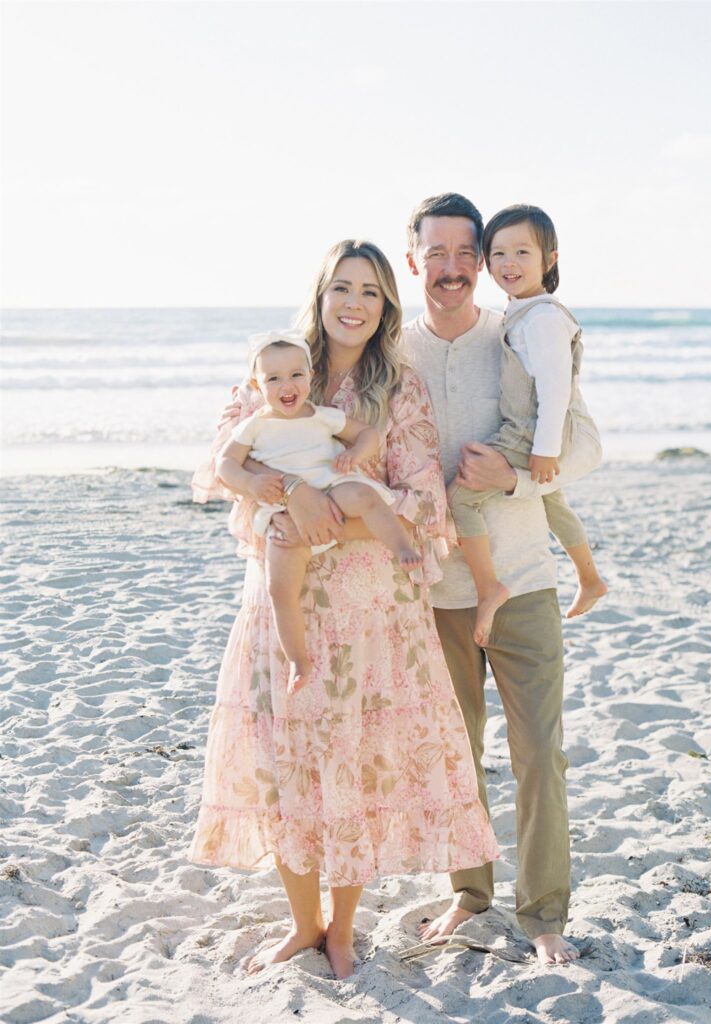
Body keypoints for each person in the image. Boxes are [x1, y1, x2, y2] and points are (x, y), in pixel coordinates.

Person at [189, 239, 498, 979]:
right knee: (286, 762)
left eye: (369, 291)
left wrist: (327, 516)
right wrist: (290, 493)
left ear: (385, 305)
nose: (354, 303)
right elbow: (220, 470)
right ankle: (304, 923)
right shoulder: (273, 370)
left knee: (353, 766)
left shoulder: (397, 389)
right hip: (284, 602)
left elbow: (424, 500)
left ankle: (343, 929)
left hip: (370, 607)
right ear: (321, 295)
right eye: (342, 288)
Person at [402, 193, 580, 965]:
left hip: (524, 580)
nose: (451, 268)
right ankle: (469, 893)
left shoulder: (518, 332)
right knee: (455, 751)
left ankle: (543, 912)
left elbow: (583, 445)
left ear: (480, 260)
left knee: (539, 752)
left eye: (463, 253)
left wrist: (513, 479)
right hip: (436, 592)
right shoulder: (392, 350)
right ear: (412, 261)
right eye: (434, 253)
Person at [217, 329, 421, 692]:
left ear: (310, 376)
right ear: (257, 385)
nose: (287, 385)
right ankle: (298, 660)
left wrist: (355, 454)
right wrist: (250, 484)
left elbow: (369, 435)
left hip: (332, 488)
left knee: (365, 495)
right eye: (273, 379)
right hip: (285, 512)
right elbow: (225, 465)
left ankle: (402, 547)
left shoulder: (322, 416)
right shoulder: (254, 426)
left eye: (296, 374)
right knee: (280, 589)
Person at [447, 203, 607, 645]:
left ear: (549, 260)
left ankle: (488, 588)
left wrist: (544, 450)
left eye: (522, 252)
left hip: (530, 432)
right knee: (553, 503)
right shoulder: (522, 311)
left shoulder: (543, 318)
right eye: (498, 253)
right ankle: (590, 578)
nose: (509, 263)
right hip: (532, 430)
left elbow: (556, 391)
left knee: (460, 498)